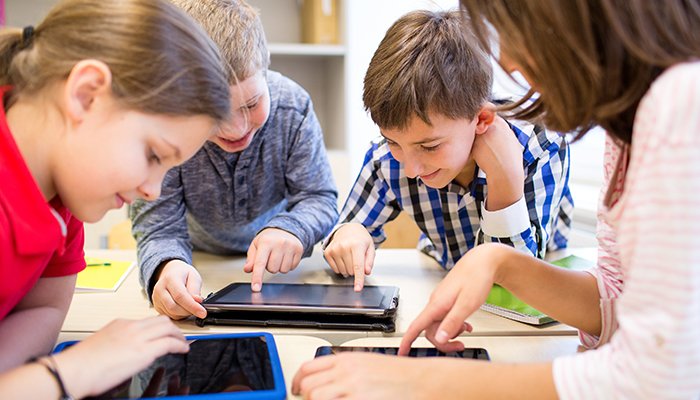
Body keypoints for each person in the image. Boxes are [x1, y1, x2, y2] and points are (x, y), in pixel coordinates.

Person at [292, 1, 700, 398]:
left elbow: (660, 374)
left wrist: (418, 381)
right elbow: (614, 302)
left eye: (511, 30)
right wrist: (497, 262)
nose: (506, 61)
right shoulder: (625, 131)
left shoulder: (677, 105)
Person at [0, 0, 232, 397]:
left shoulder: (64, 193)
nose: (153, 191)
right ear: (87, 94)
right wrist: (67, 372)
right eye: (153, 155)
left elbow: (45, 310)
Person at [323, 9, 573, 291]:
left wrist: (505, 178)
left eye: (429, 146)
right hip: (444, 276)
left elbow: (514, 279)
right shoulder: (387, 160)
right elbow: (342, 232)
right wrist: (349, 234)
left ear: (481, 120)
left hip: (538, 295)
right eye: (392, 141)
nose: (411, 169)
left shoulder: (540, 145)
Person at [129, 0, 338, 321]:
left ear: (266, 71)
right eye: (216, 113)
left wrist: (293, 229)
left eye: (252, 103)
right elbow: (159, 227)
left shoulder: (293, 107)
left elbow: (319, 197)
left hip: (281, 272)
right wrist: (166, 267)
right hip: (195, 262)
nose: (237, 128)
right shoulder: (166, 123)